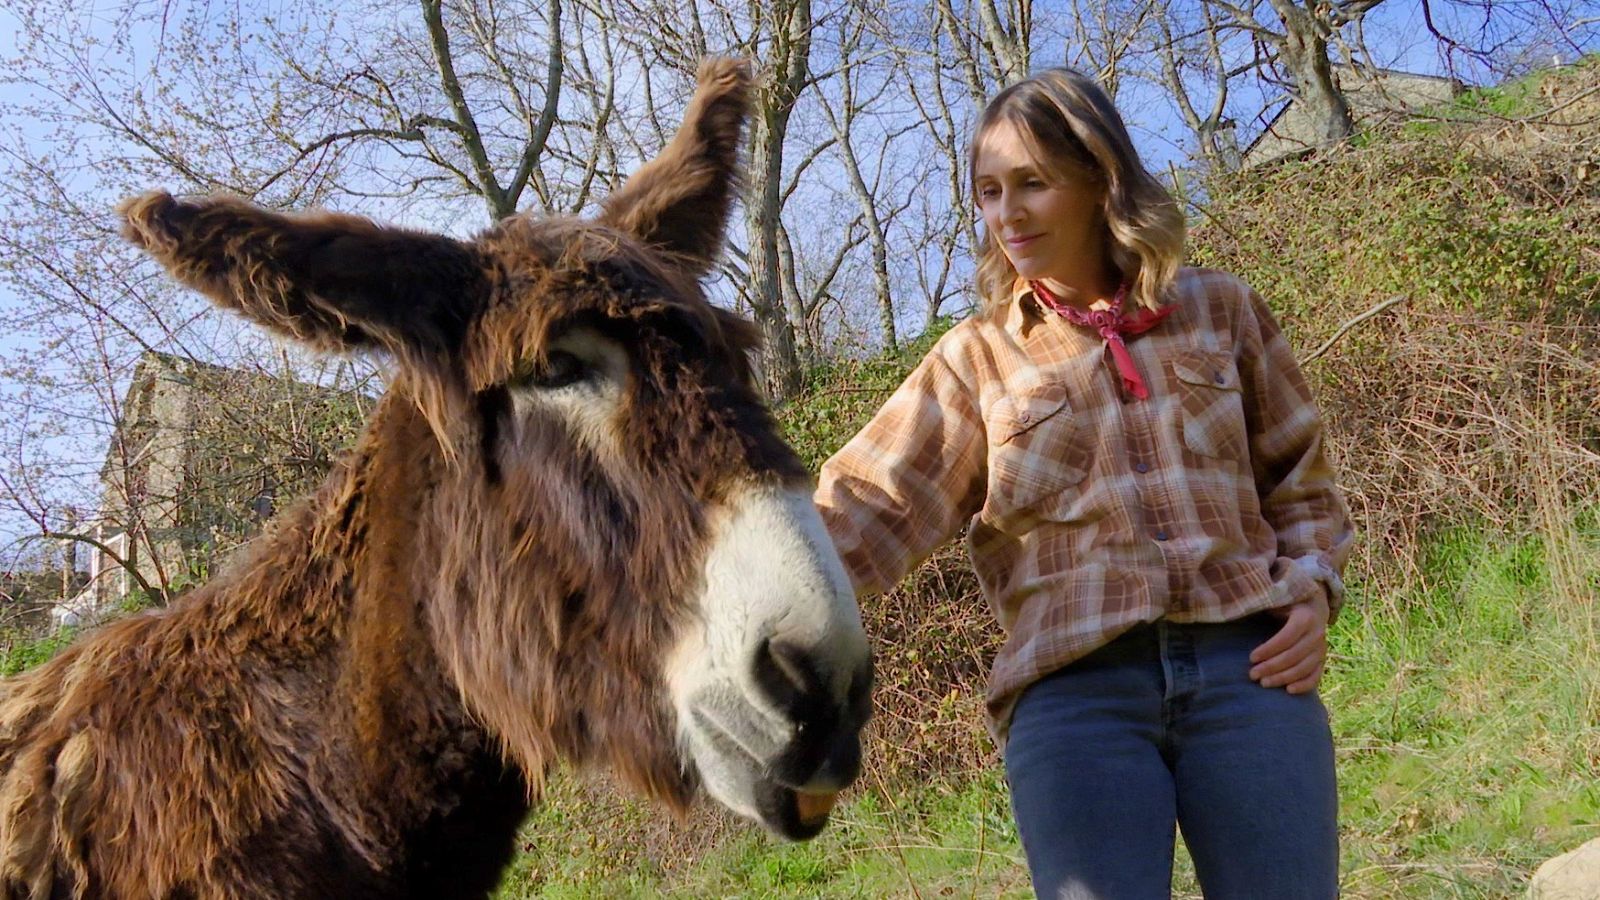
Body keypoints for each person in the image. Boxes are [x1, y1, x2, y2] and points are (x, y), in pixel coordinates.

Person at [813, 67, 1354, 900]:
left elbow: (1301, 481)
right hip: (1075, 699)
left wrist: (1314, 587)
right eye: (989, 191)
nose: (1007, 214)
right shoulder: (977, 358)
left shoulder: (1223, 311)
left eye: (1032, 183)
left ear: (1101, 179)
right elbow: (864, 511)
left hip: (1251, 674)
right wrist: (732, 578)